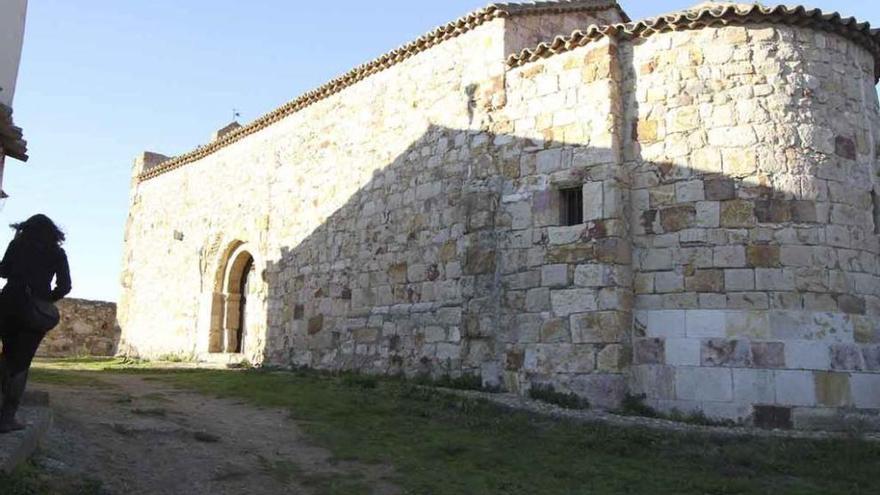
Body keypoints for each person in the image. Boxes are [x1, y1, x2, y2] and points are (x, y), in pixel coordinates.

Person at [0, 214, 71, 433]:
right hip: (34, 310)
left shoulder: (17, 244)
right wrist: (46, 298)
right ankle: (6, 418)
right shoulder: (57, 253)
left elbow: (3, 271)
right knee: (21, 364)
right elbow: (65, 285)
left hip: (8, 303)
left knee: (6, 356)